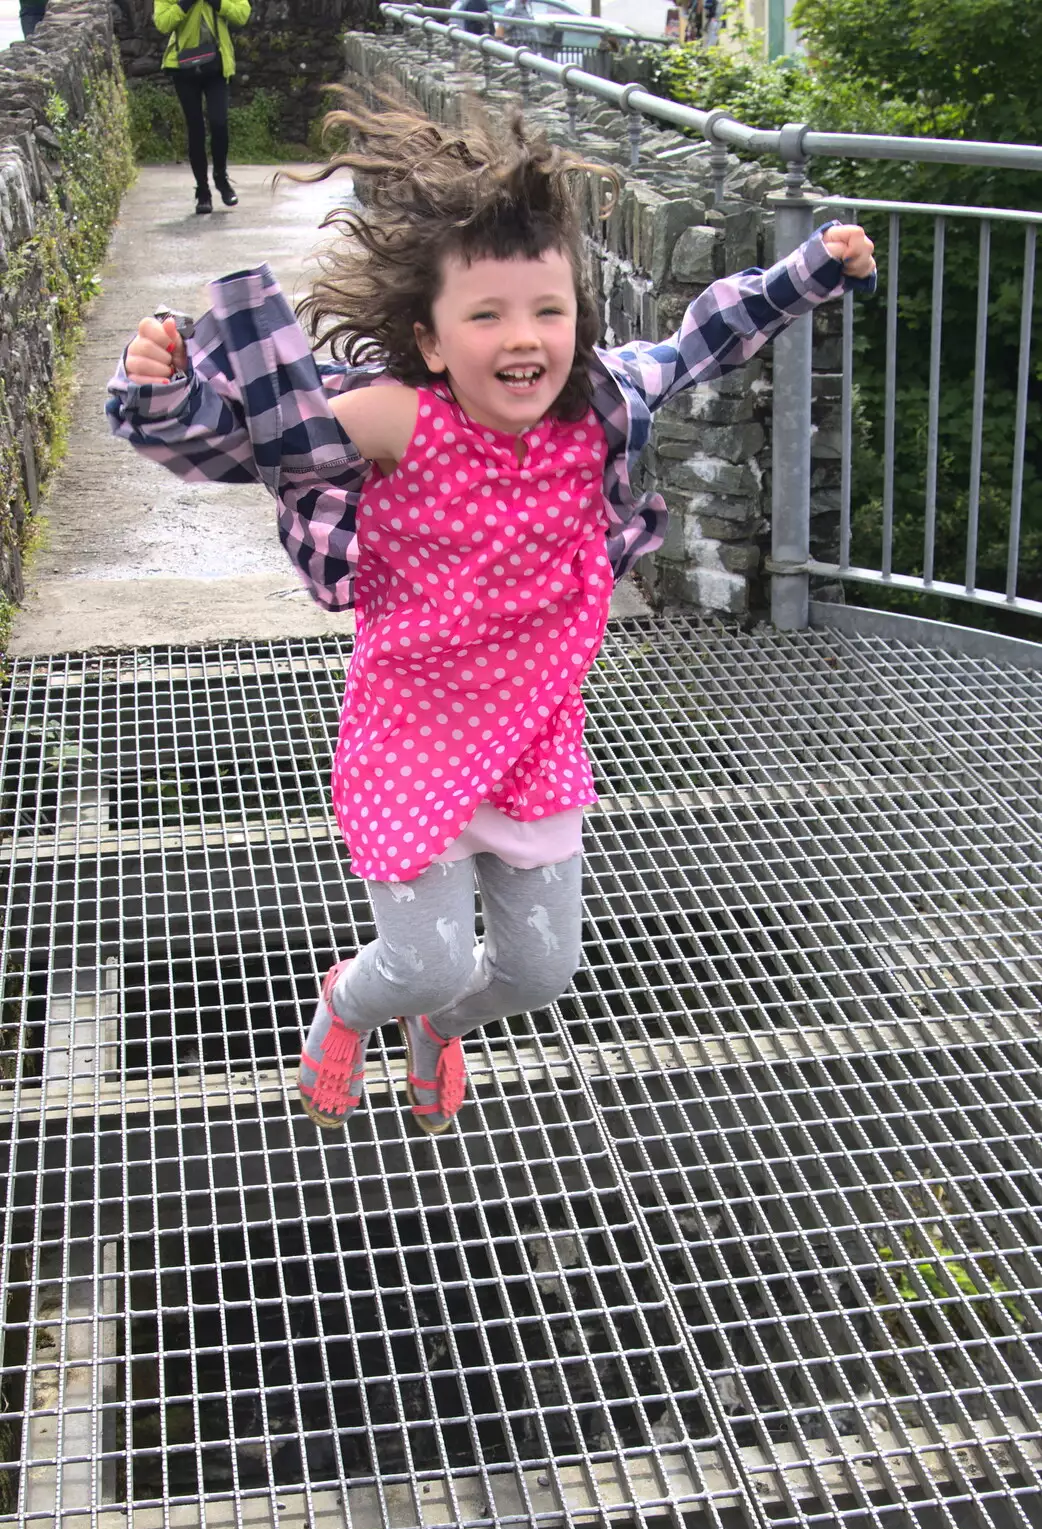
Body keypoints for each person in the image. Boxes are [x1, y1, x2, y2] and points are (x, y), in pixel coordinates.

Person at [106, 98, 875, 1136]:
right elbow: (246, 442)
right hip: (411, 745)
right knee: (416, 963)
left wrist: (806, 273)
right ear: (428, 339)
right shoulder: (399, 418)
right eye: (486, 316)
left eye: (547, 311)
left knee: (538, 972)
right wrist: (159, 391)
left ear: (577, 321)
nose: (523, 338)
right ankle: (348, 1004)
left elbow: (706, 341)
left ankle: (435, 1031)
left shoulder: (602, 403)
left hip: (530, 744)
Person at [155, 0, 251, 215]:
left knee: (219, 123)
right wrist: (185, 4)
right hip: (183, 68)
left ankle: (221, 179)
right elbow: (162, 23)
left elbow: (242, 14)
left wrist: (217, 3)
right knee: (195, 128)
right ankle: (203, 191)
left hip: (216, 65)